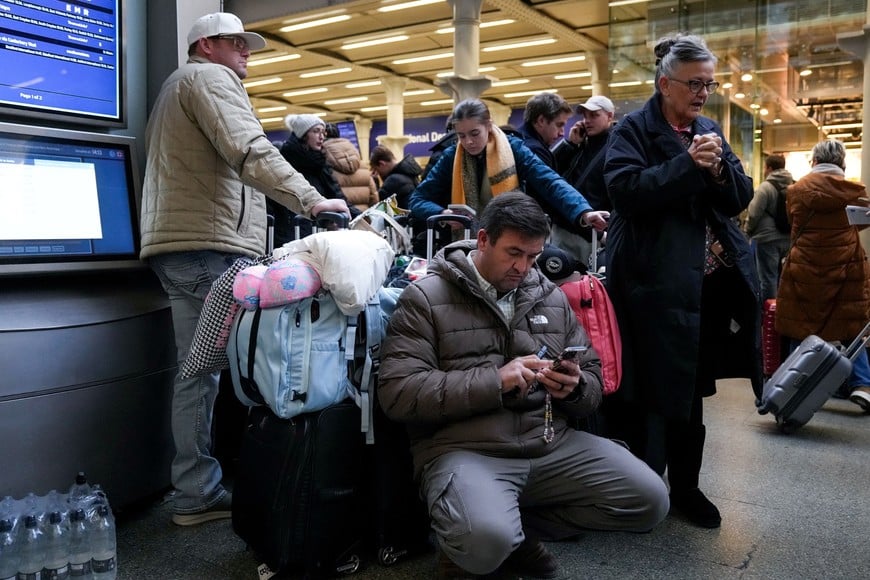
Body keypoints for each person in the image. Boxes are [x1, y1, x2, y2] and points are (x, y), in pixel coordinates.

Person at [378, 192, 669, 579]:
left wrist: (577, 387)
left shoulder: (548, 293)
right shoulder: (426, 298)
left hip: (549, 442)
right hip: (466, 448)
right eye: (513, 252)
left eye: (533, 256)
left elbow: (593, 375)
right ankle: (477, 539)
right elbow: (398, 394)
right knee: (483, 543)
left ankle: (510, 536)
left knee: (649, 501)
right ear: (483, 240)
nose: (523, 267)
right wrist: (494, 381)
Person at [139, 12, 349, 527]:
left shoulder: (176, 86)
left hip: (179, 247)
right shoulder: (210, 79)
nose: (246, 51)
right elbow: (250, 149)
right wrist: (311, 199)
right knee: (262, 360)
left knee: (197, 372)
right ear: (206, 44)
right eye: (236, 42)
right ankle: (269, 480)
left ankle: (196, 489)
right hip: (210, 247)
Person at [602, 34, 761, 529]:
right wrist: (687, 166)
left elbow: (739, 197)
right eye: (694, 84)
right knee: (650, 390)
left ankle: (687, 488)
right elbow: (625, 191)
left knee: (691, 392)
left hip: (704, 288)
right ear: (665, 83)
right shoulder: (632, 129)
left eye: (709, 85)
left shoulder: (709, 128)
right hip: (651, 284)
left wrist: (715, 174)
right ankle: (644, 487)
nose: (702, 94)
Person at [409, 98, 609, 236]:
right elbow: (418, 199)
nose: (468, 142)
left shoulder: (514, 149)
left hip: (510, 237)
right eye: (461, 135)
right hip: (464, 248)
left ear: (489, 125)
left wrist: (583, 211)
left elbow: (549, 181)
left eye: (474, 133)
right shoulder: (450, 156)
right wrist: (442, 213)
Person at [776, 140, 870, 412]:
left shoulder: (795, 191)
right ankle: (862, 384)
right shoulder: (855, 192)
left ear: (814, 162)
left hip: (804, 264)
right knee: (850, 326)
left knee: (800, 324)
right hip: (845, 265)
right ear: (842, 163)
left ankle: (794, 383)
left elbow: (793, 223)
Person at [271, 114, 358, 244]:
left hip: (316, 231)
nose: (321, 136)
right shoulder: (284, 160)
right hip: (289, 232)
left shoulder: (320, 163)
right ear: (303, 134)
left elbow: (336, 194)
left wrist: (362, 215)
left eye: (323, 132)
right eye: (316, 131)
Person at [743, 154, 793, 301]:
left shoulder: (766, 187)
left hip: (767, 238)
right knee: (785, 277)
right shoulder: (793, 185)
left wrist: (748, 231)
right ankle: (783, 308)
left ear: (769, 168)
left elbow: (754, 212)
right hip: (788, 237)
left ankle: (768, 314)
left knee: (767, 278)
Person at [322, 123, 379, 212]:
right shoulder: (363, 166)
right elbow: (374, 198)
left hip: (339, 220)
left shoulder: (322, 166)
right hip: (363, 220)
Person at [369, 145, 423, 209]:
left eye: (376, 169)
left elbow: (379, 205)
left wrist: (374, 182)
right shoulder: (409, 172)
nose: (378, 174)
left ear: (382, 164)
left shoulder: (393, 180)